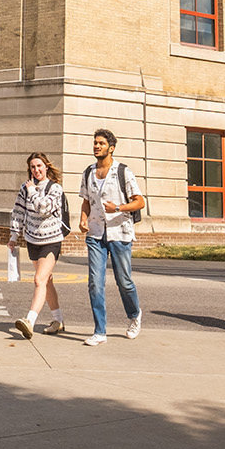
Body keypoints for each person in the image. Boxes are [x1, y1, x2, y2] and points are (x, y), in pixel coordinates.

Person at [78, 128, 144, 347]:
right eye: (95, 143)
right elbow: (86, 200)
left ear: (111, 148)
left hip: (119, 232)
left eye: (101, 143)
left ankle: (135, 315)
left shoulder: (123, 172)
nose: (96, 146)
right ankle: (100, 331)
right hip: (96, 233)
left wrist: (118, 207)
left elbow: (139, 201)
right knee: (95, 284)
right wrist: (83, 219)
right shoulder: (88, 172)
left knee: (124, 282)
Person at [9, 152, 67, 339]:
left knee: (39, 280)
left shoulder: (55, 188)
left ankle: (29, 321)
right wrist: (13, 235)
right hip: (32, 240)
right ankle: (58, 320)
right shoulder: (24, 188)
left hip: (51, 240)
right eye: (33, 167)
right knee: (46, 281)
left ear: (47, 167)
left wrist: (33, 190)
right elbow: (18, 210)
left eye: (39, 166)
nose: (36, 170)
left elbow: (43, 209)